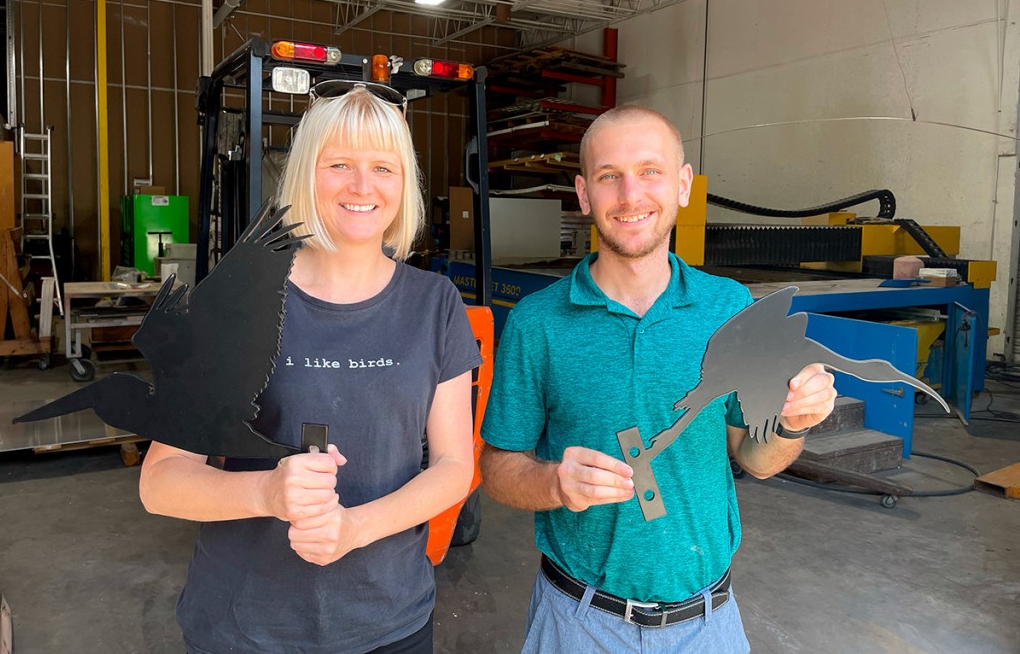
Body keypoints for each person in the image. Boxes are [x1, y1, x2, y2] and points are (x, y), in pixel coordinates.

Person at [139, 81, 482, 654]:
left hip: (388, 623)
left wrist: (356, 529)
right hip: (246, 625)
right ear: (305, 174)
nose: (361, 186)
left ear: (405, 185)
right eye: (339, 164)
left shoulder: (435, 303)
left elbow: (452, 466)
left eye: (383, 167)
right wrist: (267, 493)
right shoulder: (238, 302)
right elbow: (160, 482)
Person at [479, 105, 837, 653]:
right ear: (583, 195)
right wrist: (554, 483)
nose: (630, 195)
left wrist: (792, 424)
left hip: (707, 625)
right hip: (576, 622)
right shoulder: (538, 323)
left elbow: (756, 458)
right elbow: (499, 470)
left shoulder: (730, 308)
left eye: (650, 171)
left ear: (684, 185)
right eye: (609, 177)